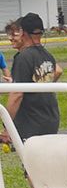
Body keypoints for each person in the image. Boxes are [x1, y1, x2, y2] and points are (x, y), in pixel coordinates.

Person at [2, 14, 62, 147]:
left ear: (23, 32)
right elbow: (57, 71)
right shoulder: (47, 55)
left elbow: (17, 94)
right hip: (51, 118)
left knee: (32, 165)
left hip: (32, 121)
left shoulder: (23, 57)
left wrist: (7, 127)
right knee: (43, 163)